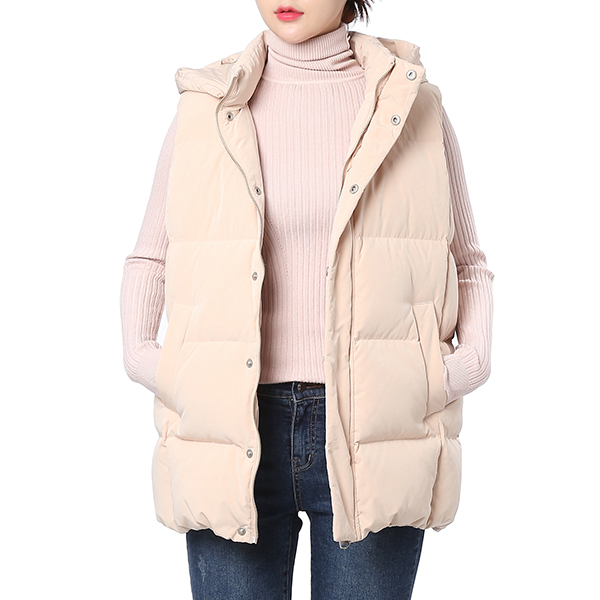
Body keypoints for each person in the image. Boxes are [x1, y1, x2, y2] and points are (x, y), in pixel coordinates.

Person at [120, 0, 495, 598]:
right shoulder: (207, 105)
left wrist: (458, 368)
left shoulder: (410, 104)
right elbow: (151, 258)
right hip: (230, 423)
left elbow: (468, 260)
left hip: (377, 426)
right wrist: (153, 362)